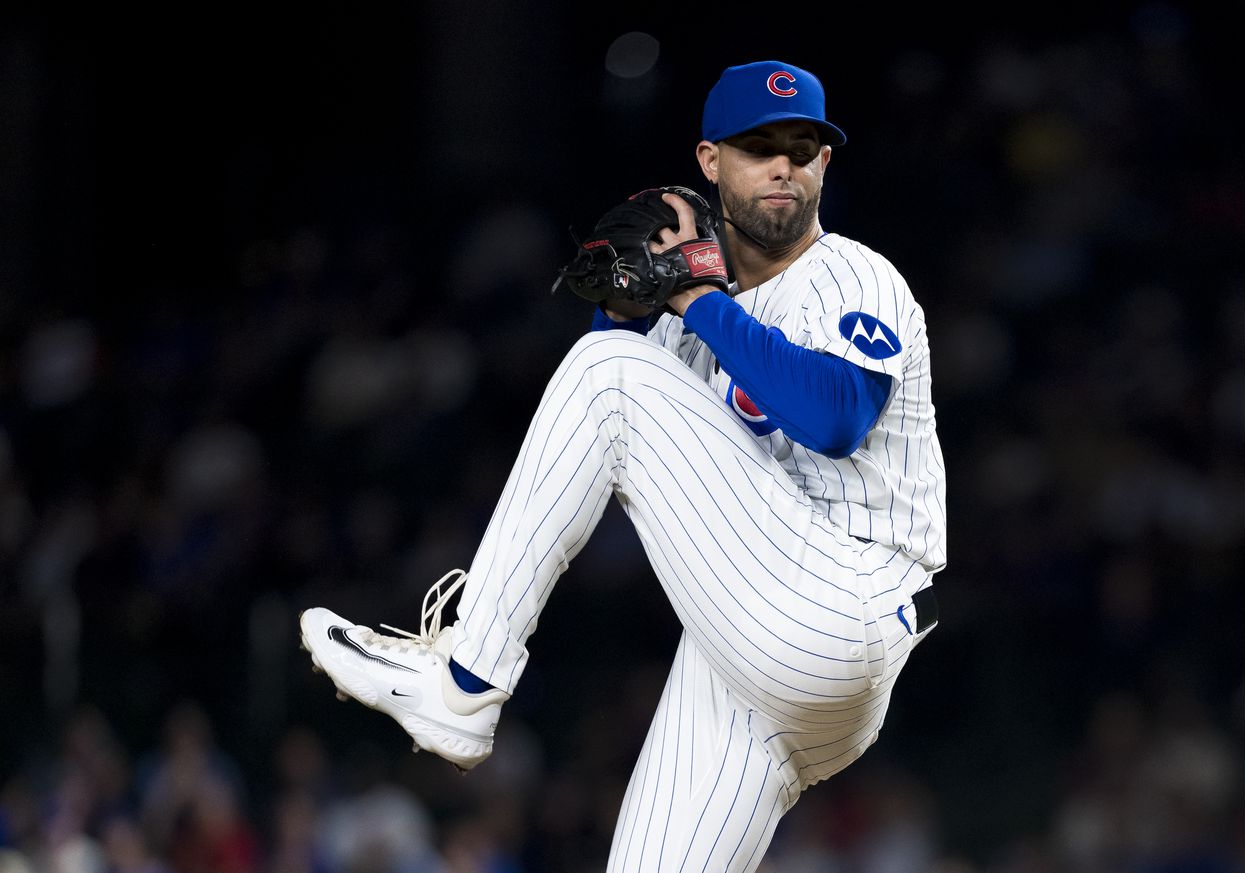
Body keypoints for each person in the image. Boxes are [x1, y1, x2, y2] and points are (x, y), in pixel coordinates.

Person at [299, 59, 946, 872]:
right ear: (711, 162)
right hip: (743, 659)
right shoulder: (692, 320)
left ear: (824, 163)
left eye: (803, 146)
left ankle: (463, 682)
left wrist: (692, 298)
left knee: (608, 378)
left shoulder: (852, 273)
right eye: (758, 146)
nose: (784, 164)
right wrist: (623, 307)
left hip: (845, 606)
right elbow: (591, 441)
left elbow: (836, 416)